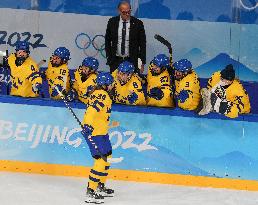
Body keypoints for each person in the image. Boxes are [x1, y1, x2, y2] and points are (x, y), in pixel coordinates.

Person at [81, 72, 115, 204]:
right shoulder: (104, 96)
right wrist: (88, 126)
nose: (112, 86)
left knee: (108, 157)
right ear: (106, 85)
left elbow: (98, 113)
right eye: (111, 84)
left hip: (102, 132)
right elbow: (91, 111)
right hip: (95, 134)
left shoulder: (99, 93)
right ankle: (90, 192)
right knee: (100, 161)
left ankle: (100, 185)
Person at [105, 1, 146, 74]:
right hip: (115, 61)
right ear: (119, 11)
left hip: (132, 60)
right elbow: (107, 41)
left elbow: (142, 45)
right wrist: (109, 57)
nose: (127, 14)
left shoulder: (138, 23)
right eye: (124, 12)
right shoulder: (112, 22)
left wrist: (142, 62)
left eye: (129, 12)